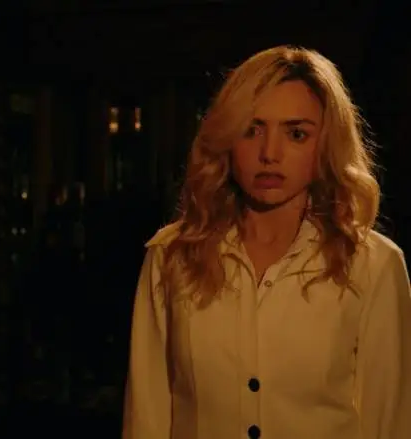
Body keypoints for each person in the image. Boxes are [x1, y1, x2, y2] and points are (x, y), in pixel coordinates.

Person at [123, 46, 411, 439]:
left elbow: (390, 423)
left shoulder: (373, 265)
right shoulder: (171, 255)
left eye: (296, 134)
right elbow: (147, 418)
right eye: (252, 130)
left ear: (325, 144)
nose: (269, 154)